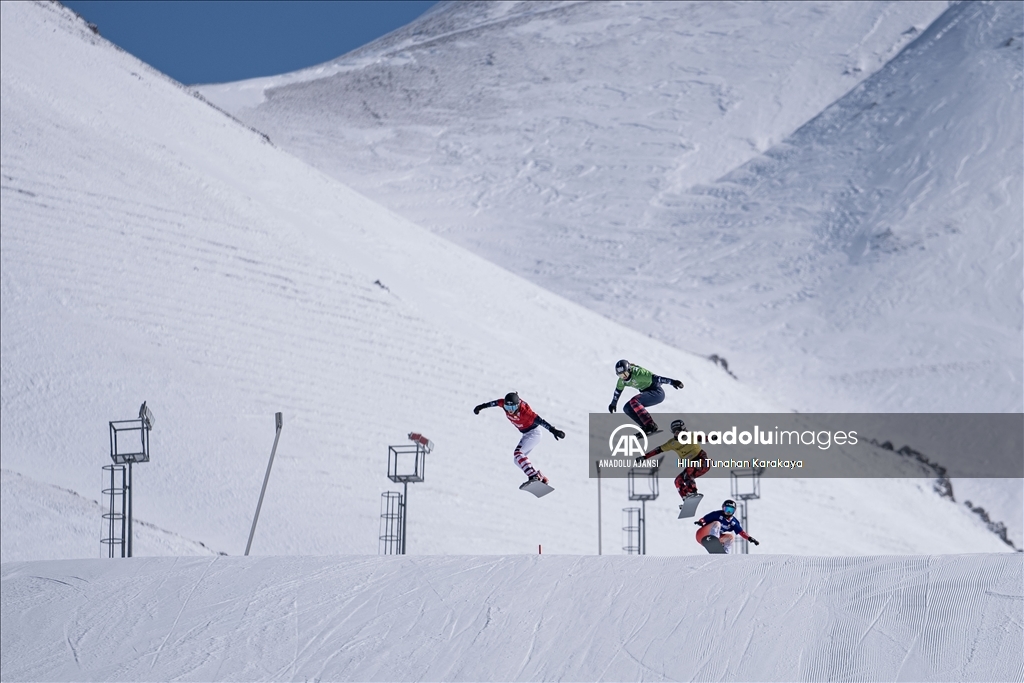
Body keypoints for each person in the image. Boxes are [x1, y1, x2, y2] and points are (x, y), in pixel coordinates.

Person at [474, 392, 565, 485]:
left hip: (534, 433)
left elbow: (541, 421)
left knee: (518, 453)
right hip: (526, 434)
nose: (510, 410)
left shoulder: (526, 412)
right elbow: (494, 403)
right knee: (517, 460)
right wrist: (481, 407)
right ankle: (539, 476)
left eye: (512, 408)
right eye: (508, 407)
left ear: (517, 405)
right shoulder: (503, 404)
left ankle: (534, 476)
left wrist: (553, 430)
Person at [637, 419, 710, 505]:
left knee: (688, 472)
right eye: (674, 431)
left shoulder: (691, 435)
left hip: (703, 461)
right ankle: (686, 498)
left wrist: (712, 438)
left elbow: (702, 438)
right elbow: (658, 450)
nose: (677, 433)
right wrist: (644, 457)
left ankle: (693, 492)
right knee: (678, 481)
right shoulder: (672, 443)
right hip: (692, 466)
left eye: (678, 430)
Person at [608, 359, 684, 435]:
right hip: (647, 393)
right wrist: (613, 404)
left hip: (657, 393)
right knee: (627, 408)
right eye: (620, 375)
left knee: (634, 401)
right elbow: (617, 391)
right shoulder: (622, 381)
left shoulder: (639, 373)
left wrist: (673, 382)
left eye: (625, 374)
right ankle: (645, 427)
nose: (624, 377)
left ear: (629, 370)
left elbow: (658, 378)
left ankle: (651, 425)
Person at [694, 499, 760, 554]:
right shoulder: (717, 514)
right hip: (702, 534)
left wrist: (750, 538)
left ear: (734, 511)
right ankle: (714, 541)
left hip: (710, 539)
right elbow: (704, 519)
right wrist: (700, 522)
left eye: (730, 510)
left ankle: (725, 553)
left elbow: (741, 532)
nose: (728, 512)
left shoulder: (733, 522)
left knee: (731, 537)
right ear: (723, 509)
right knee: (717, 523)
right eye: (727, 509)